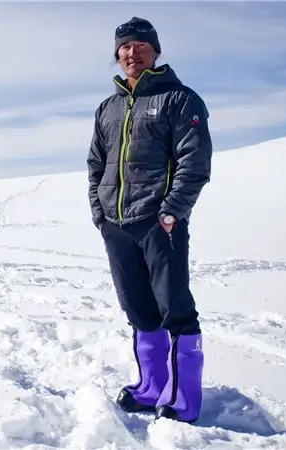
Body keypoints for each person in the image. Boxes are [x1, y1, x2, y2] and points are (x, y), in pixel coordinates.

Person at [86, 16, 213, 424]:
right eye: (125, 46)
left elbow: (195, 161)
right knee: (139, 309)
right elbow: (95, 164)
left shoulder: (179, 98)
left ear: (155, 51)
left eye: (141, 45)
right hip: (117, 224)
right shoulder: (108, 107)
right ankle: (152, 387)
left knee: (174, 306)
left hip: (160, 222)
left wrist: (172, 210)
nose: (131, 52)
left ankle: (184, 398)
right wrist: (99, 212)